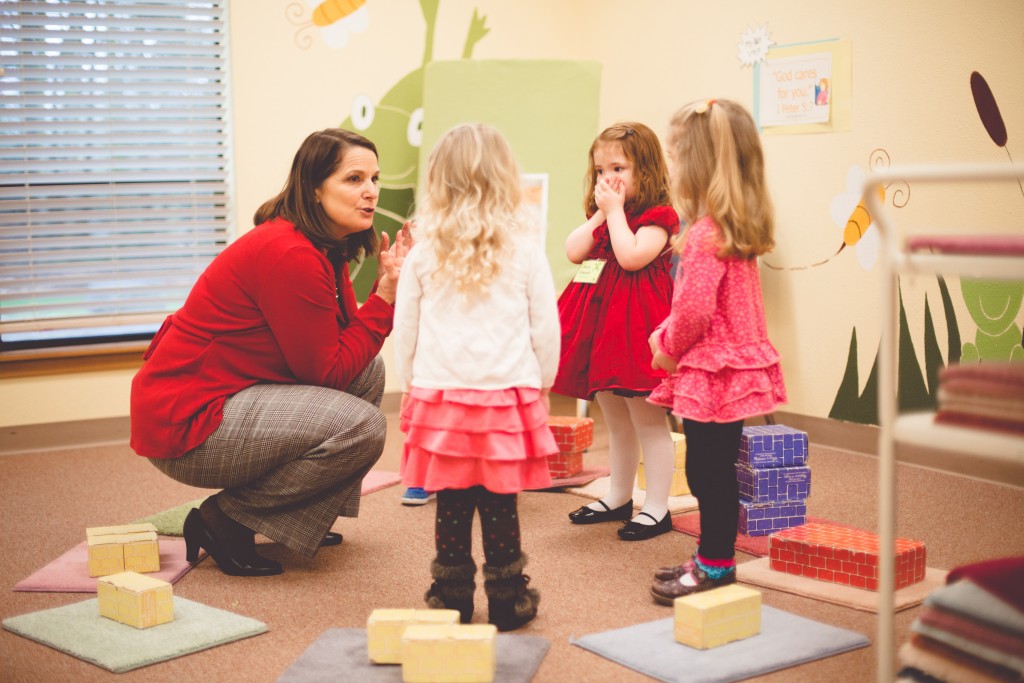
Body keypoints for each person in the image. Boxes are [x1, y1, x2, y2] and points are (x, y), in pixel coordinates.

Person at [130, 128, 411, 577]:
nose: (371, 192)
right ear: (315, 188)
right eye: (354, 179)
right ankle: (222, 520)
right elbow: (328, 372)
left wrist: (386, 290)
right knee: (362, 427)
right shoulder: (290, 254)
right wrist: (385, 298)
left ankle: (300, 515)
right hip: (188, 424)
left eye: (375, 179)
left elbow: (343, 347)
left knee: (369, 372)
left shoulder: (322, 245)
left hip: (225, 397)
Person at [393, 123, 560, 631]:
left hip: (440, 394)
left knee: (452, 500)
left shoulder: (423, 252)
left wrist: (410, 387)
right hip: (506, 393)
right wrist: (544, 383)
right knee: (499, 500)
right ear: (503, 179)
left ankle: (451, 596)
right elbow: (545, 324)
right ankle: (508, 597)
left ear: (438, 182)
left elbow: (406, 329)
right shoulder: (525, 248)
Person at [647, 99, 787, 603]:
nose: (674, 167)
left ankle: (715, 563)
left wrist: (664, 347)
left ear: (700, 165)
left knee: (707, 472)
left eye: (678, 156)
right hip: (728, 369)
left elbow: (694, 314)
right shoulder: (732, 231)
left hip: (712, 372)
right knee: (714, 469)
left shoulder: (706, 236)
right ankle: (713, 555)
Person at [556, 122, 680, 541]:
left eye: (619, 168)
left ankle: (658, 507)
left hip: (637, 331)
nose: (608, 179)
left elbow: (630, 257)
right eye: (600, 171)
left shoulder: (657, 218)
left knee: (647, 421)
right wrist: (600, 212)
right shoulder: (605, 216)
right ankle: (618, 495)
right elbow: (574, 251)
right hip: (602, 329)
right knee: (615, 419)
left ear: (644, 170)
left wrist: (612, 214)